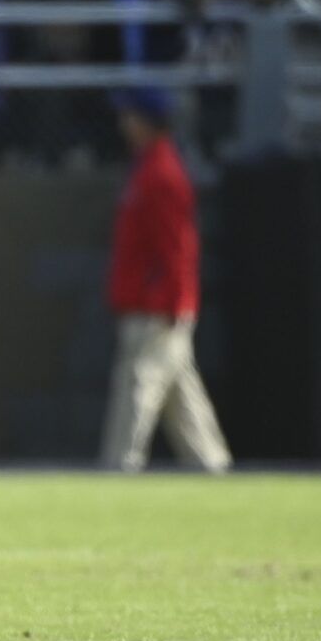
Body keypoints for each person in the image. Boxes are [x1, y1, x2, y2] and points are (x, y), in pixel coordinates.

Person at [98, 90, 231, 473]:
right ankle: (212, 465)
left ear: (147, 121)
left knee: (138, 387)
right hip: (150, 303)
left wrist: (175, 301)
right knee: (181, 396)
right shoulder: (146, 168)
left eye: (130, 116)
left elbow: (178, 247)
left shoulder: (162, 174)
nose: (124, 124)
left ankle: (119, 468)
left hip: (155, 308)